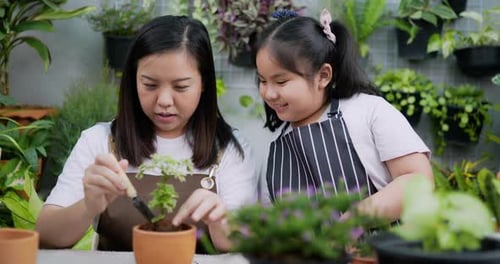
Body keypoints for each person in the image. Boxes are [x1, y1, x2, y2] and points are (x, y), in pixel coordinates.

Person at [36, 15, 258, 252]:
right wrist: (88, 206)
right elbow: (46, 236)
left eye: (181, 86)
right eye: (150, 85)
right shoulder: (100, 141)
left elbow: (246, 246)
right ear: (133, 81)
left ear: (204, 83)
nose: (163, 101)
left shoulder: (230, 148)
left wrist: (220, 222)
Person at [256, 9, 433, 221]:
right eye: (263, 81)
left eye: (281, 81)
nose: (268, 93)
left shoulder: (369, 112)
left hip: (382, 251)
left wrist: (354, 221)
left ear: (323, 76)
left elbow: (417, 181)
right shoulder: (278, 149)